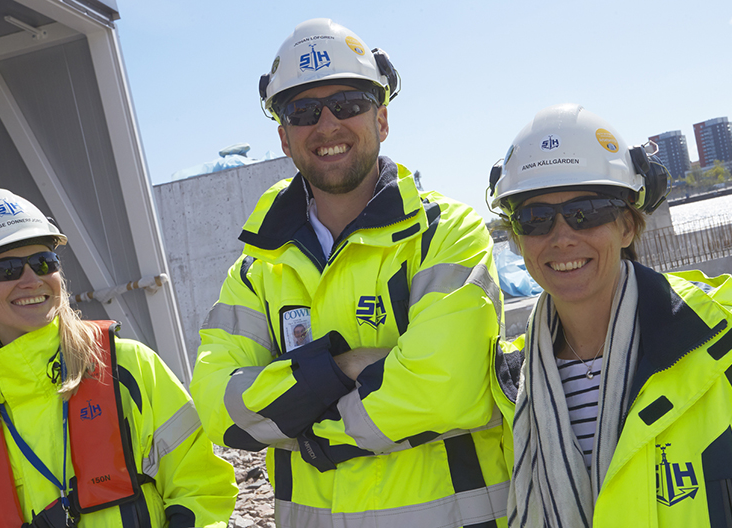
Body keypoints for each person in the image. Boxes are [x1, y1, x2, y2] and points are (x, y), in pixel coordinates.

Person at [190, 18, 509, 528]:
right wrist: (344, 367)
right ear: (284, 137)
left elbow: (447, 390)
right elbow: (216, 406)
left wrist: (293, 417)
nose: (327, 124)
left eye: (349, 104)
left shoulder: (445, 233)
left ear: (381, 120)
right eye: (303, 111)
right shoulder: (255, 271)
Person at [487, 103, 732, 527]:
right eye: (535, 218)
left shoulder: (724, 348)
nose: (562, 237)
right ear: (516, 237)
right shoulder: (509, 387)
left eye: (587, 211)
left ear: (627, 226)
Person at [0, 188, 237, 528]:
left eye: (44, 262)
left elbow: (202, 491)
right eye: (5, 270)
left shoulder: (127, 366)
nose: (31, 279)